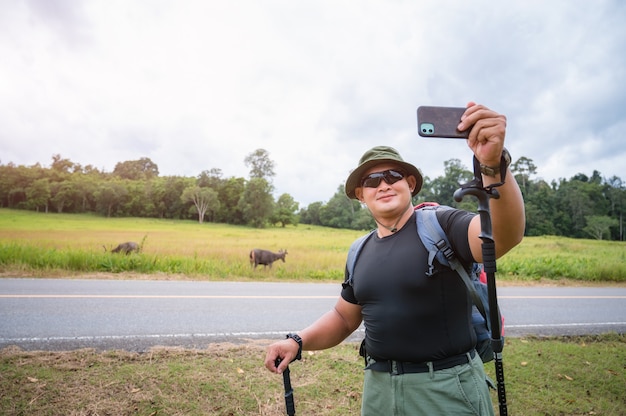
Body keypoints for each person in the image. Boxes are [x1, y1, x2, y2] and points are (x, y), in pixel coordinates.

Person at [264, 102, 525, 415]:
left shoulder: (441, 224)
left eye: (393, 176)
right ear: (361, 195)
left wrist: (493, 167)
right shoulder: (359, 250)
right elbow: (345, 317)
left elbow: (502, 236)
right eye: (372, 181)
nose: (384, 184)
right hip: (379, 390)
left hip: (446, 389)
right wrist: (298, 340)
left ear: (410, 184)